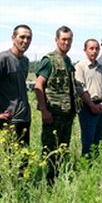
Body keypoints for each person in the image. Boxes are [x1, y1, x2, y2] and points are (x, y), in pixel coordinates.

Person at [34, 26, 79, 182]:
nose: (66, 43)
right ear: (57, 40)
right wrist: (44, 111)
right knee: (50, 149)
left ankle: (58, 177)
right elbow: (38, 85)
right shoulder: (49, 60)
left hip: (67, 114)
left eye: (69, 40)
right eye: (64, 39)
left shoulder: (67, 60)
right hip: (53, 114)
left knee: (63, 148)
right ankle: (46, 181)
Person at [0, 25, 32, 146]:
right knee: (11, 159)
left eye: (29, 38)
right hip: (9, 119)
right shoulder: (3, 59)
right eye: (22, 37)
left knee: (24, 160)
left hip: (25, 118)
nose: (25, 41)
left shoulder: (25, 60)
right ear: (13, 38)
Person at [75, 39, 102, 157]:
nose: (94, 51)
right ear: (85, 50)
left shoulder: (100, 67)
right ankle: (87, 163)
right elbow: (81, 88)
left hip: (100, 106)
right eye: (91, 48)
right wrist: (91, 105)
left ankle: (95, 162)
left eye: (97, 49)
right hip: (87, 107)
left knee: (98, 137)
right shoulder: (80, 67)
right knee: (88, 138)